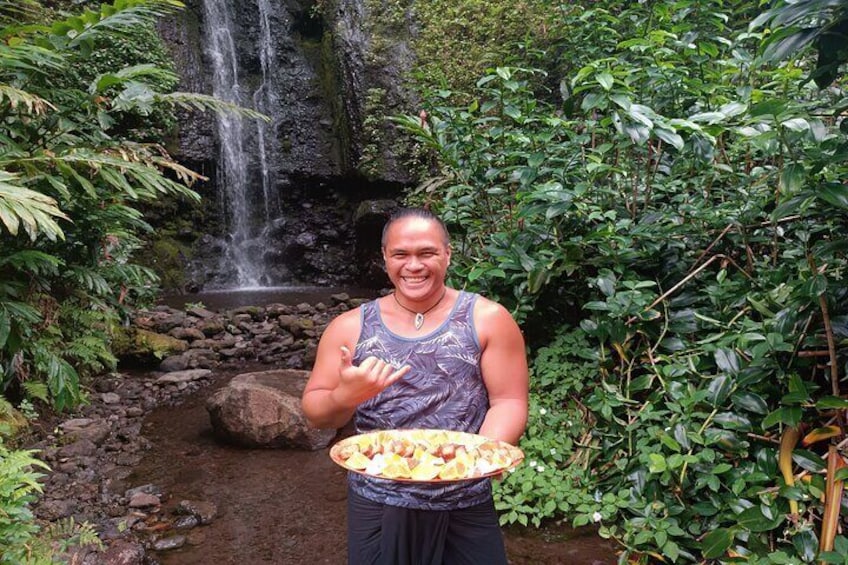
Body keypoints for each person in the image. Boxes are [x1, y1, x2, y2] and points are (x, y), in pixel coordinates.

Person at [301, 207, 529, 565]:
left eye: (427, 253)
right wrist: (346, 397)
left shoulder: (488, 319)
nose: (414, 265)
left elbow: (508, 400)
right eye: (401, 255)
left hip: (463, 496)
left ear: (448, 254)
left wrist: (483, 455)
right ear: (385, 258)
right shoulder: (348, 328)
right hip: (378, 498)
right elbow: (316, 413)